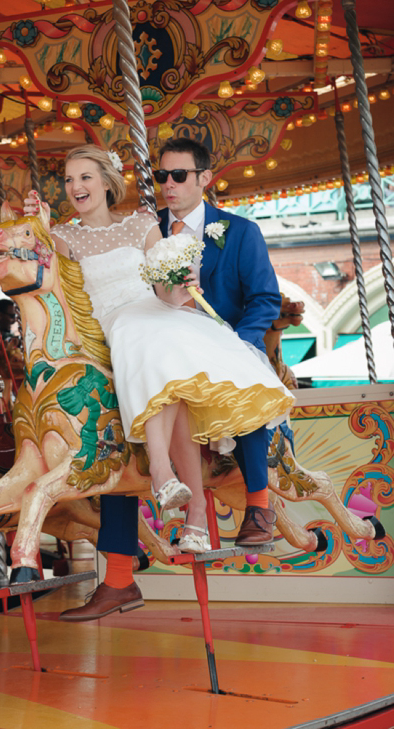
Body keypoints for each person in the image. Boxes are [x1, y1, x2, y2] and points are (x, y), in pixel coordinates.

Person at [24, 143, 293, 622]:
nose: (76, 187)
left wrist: (229, 327)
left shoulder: (180, 227)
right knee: (149, 373)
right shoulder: (83, 234)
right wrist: (35, 224)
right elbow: (40, 269)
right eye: (68, 180)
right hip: (117, 333)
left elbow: (193, 293)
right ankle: (131, 566)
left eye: (85, 177)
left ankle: (254, 505)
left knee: (187, 371)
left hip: (181, 325)